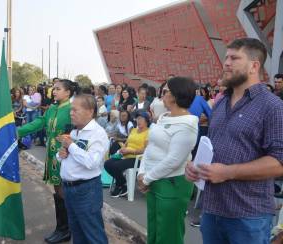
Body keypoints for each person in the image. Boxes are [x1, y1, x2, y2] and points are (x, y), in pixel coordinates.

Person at [185, 38, 283, 244]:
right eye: (226, 57)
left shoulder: (272, 106)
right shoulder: (220, 104)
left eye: (234, 58)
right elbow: (215, 148)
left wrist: (228, 172)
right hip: (212, 211)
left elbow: (279, 163)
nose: (226, 63)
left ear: (254, 66)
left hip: (249, 216)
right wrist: (196, 167)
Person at [138, 77, 198, 244]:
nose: (160, 96)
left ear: (175, 96)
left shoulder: (187, 125)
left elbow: (174, 160)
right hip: (153, 180)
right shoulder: (164, 116)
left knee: (168, 235)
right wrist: (142, 172)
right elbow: (150, 147)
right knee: (154, 231)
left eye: (164, 92)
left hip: (172, 184)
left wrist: (147, 178)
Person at [18, 79, 73, 243]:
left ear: (68, 92)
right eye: (53, 89)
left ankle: (66, 229)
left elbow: (78, 131)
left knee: (63, 189)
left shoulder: (72, 109)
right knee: (58, 189)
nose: (53, 91)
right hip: (52, 154)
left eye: (58, 89)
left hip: (66, 154)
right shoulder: (52, 108)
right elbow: (40, 122)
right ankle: (62, 228)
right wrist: (18, 131)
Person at [56, 94, 109, 244]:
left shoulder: (98, 134)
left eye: (75, 110)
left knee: (93, 235)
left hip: (86, 191)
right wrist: (61, 154)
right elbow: (65, 156)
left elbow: (92, 162)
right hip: (69, 188)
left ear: (90, 111)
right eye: (70, 110)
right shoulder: (74, 131)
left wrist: (71, 146)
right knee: (77, 233)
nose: (71, 113)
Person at [104, 111, 150, 197]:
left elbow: (146, 150)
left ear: (146, 120)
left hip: (137, 158)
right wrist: (123, 148)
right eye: (137, 119)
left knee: (116, 166)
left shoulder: (149, 132)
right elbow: (127, 142)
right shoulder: (133, 130)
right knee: (107, 164)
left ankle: (120, 185)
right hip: (125, 155)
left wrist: (131, 151)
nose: (138, 121)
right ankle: (122, 183)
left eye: (141, 119)